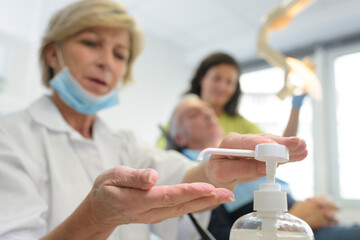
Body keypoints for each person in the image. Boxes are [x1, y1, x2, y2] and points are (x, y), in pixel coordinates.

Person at [0, 1, 308, 240]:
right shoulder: (10, 136)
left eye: (120, 54)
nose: (107, 62)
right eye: (91, 43)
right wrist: (96, 218)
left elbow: (182, 180)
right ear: (53, 54)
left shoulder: (126, 144)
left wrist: (213, 170)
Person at [169, 94, 360, 240]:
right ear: (179, 137)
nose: (207, 114)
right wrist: (291, 222)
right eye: (195, 114)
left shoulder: (241, 154)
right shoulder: (191, 170)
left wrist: (314, 208)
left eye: (209, 111)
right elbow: (216, 233)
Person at [157, 52, 306, 149]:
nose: (222, 87)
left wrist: (296, 107)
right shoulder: (181, 117)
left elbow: (279, 147)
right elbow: (161, 158)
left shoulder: (240, 124)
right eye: (217, 78)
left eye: (230, 82)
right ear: (202, 79)